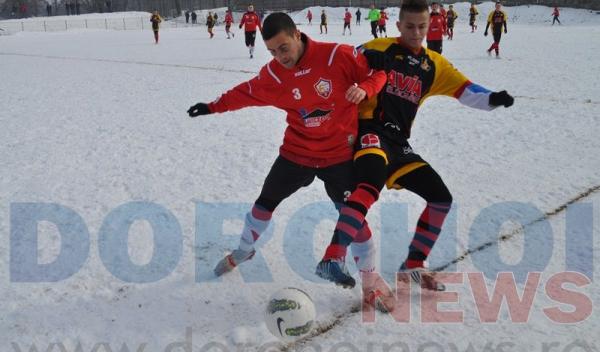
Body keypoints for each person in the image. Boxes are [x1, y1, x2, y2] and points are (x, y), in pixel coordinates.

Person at [316, 0, 514, 293]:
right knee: (370, 184)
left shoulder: (434, 65)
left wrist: (494, 98)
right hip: (368, 131)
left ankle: (414, 263)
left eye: (422, 26)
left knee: (440, 198)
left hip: (398, 143)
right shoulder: (379, 47)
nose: (416, 32)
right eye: (410, 26)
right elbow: (339, 65)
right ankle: (333, 256)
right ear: (398, 25)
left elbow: (467, 91)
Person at [186, 12, 386, 285]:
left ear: (296, 34)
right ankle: (244, 251)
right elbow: (245, 93)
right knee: (263, 204)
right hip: (297, 153)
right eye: (272, 51)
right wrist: (212, 107)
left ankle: (371, 283)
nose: (280, 56)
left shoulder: (336, 56)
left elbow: (378, 73)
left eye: (284, 47)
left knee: (354, 218)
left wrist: (365, 88)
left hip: (339, 155)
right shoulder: (273, 74)